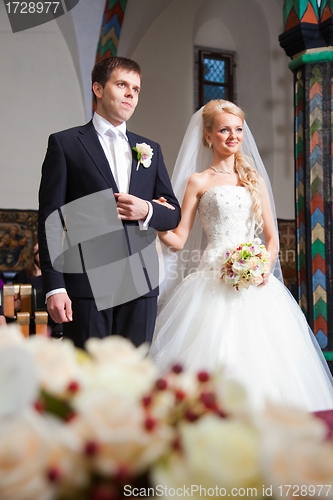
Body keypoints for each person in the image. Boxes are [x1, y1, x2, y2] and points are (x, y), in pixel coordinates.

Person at [149, 99, 333, 412]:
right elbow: (179, 239)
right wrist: (152, 219)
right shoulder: (198, 181)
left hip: (256, 282)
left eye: (238, 129)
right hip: (211, 280)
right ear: (208, 136)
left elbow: (272, 239)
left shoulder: (255, 180)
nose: (233, 136)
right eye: (224, 130)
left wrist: (263, 266)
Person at [38, 56, 181, 349]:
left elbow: (174, 214)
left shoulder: (149, 149)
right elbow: (50, 219)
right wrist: (55, 286)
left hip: (140, 285)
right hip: (86, 285)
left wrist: (148, 209)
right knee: (89, 380)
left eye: (136, 89)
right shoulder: (65, 144)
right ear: (98, 89)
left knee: (134, 380)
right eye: (122, 85)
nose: (131, 93)